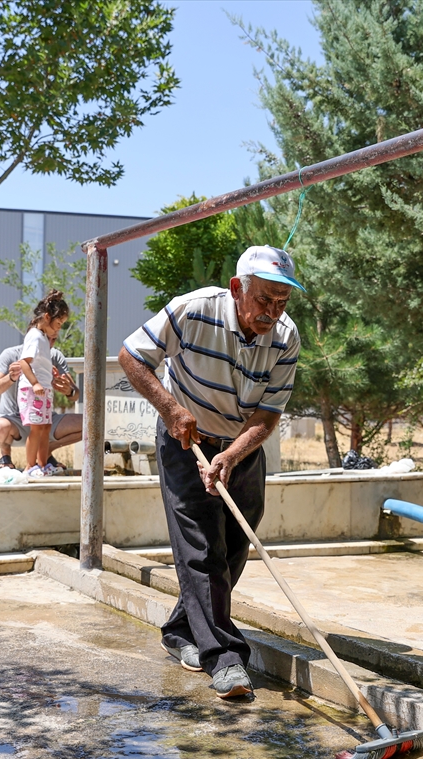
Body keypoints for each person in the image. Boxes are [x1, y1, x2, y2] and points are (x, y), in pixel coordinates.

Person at [119, 244, 303, 699]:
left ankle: (183, 630)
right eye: (264, 300)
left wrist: (233, 455)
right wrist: (170, 409)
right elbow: (131, 355)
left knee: (236, 547)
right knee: (202, 550)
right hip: (188, 442)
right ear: (238, 288)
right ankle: (224, 658)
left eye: (282, 302)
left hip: (241, 449)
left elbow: (266, 416)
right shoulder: (193, 310)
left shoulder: (286, 337)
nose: (273, 312)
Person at [0, 335, 81, 472]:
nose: (49, 343)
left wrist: (69, 391)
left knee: (91, 424)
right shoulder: (10, 355)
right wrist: (10, 377)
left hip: (44, 419)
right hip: (14, 422)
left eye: (53, 339)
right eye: (44, 339)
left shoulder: (55, 356)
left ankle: (46, 451)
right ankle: (5, 455)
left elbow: (75, 394)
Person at [15, 290, 70, 477]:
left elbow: (39, 361)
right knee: (37, 428)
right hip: (32, 390)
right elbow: (24, 362)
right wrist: (36, 383)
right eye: (58, 324)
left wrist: (48, 372)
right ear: (47, 317)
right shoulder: (34, 336)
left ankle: (42, 464)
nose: (58, 329)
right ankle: (29, 467)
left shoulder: (44, 339)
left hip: (44, 389)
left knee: (46, 427)